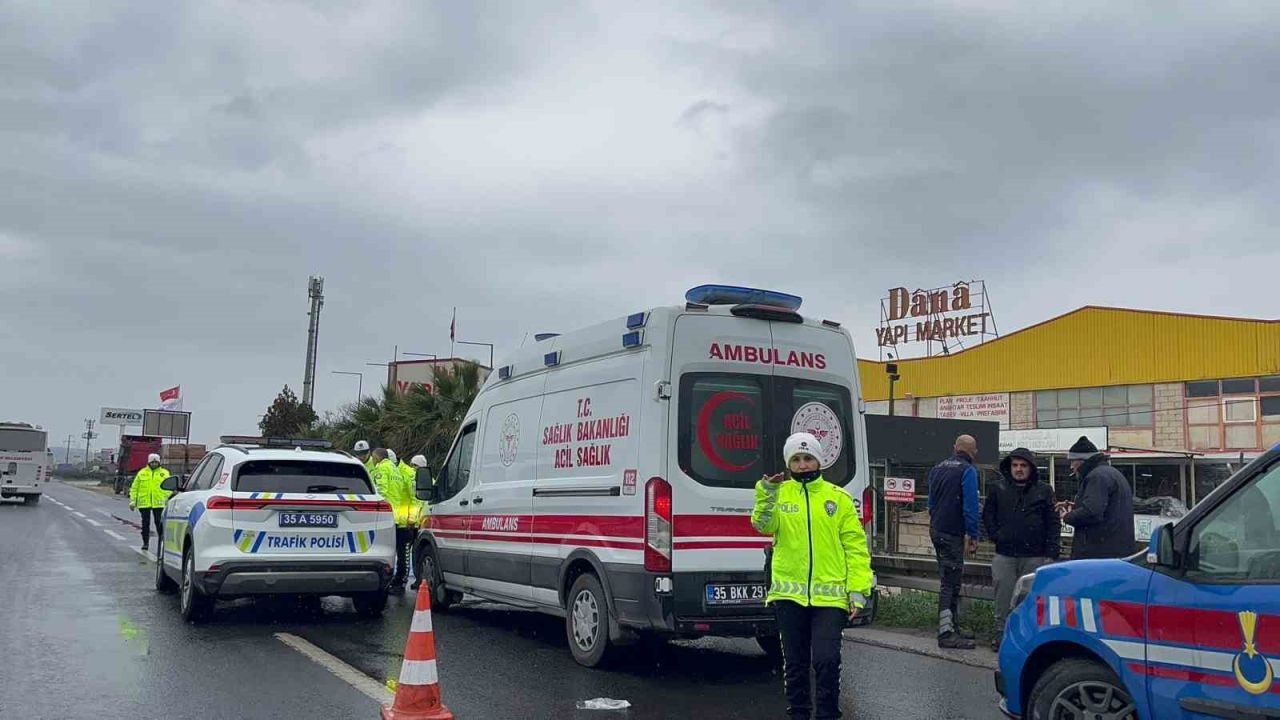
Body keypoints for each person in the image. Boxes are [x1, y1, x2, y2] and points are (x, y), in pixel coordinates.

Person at [752, 432, 873, 720]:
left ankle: (828, 714)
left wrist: (858, 590)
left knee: (826, 660)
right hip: (788, 597)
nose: (803, 464)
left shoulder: (838, 498)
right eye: (796, 459)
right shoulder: (779, 495)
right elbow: (762, 525)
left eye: (808, 458)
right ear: (789, 463)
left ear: (819, 460)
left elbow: (855, 548)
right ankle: (799, 714)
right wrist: (766, 494)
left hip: (830, 598)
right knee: (794, 663)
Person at [982, 447, 1060, 650]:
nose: (1018, 469)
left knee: (1029, 599)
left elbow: (1053, 522)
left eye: (1023, 465)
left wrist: (1052, 553)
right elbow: (988, 516)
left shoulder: (1043, 491)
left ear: (1031, 468)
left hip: (1035, 555)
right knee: (1003, 597)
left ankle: (1027, 636)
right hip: (1005, 554)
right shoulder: (997, 488)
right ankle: (1000, 634)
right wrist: (996, 535)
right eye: (1015, 465)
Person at [926, 434, 981, 649]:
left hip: (937, 529)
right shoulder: (967, 471)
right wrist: (973, 535)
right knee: (950, 582)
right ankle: (946, 633)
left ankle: (952, 626)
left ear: (954, 447)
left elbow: (931, 502)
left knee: (948, 578)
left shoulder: (938, 468)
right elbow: (970, 506)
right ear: (972, 452)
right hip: (952, 533)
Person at [1061, 436, 1135, 559]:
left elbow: (1092, 513)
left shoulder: (1096, 477)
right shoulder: (1111, 473)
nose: (1071, 467)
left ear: (1082, 461)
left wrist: (1067, 516)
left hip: (1098, 552)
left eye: (1072, 461)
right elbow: (1107, 509)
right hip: (1116, 550)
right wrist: (1076, 507)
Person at [371, 449, 411, 594]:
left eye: (373, 458)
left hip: (386, 516)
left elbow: (380, 491)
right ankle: (398, 581)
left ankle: (388, 582)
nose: (373, 460)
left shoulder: (381, 468)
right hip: (398, 516)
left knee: (385, 551)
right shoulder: (395, 470)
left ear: (378, 458)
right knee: (400, 551)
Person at [130, 453, 172, 552]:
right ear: (149, 462)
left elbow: (169, 487)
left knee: (159, 523)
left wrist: (166, 497)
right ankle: (145, 542)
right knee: (145, 524)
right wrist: (133, 501)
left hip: (159, 503)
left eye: (156, 462)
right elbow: (134, 488)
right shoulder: (142, 473)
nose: (154, 464)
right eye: (152, 462)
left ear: (159, 462)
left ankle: (162, 544)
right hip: (144, 503)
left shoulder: (164, 473)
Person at [408, 454, 432, 590]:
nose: (412, 468)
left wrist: (411, 520)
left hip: (420, 521)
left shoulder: (418, 481)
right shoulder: (429, 480)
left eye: (414, 465)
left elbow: (415, 503)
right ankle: (420, 579)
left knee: (417, 553)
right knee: (419, 553)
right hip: (424, 520)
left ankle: (419, 579)